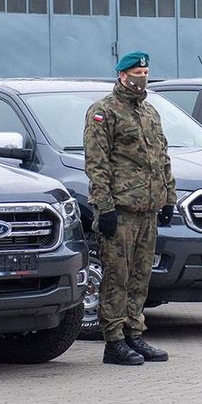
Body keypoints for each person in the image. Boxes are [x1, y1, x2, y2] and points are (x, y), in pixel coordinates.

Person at [84, 51, 176, 366]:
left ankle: (134, 333)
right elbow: (96, 163)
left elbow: (162, 156)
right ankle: (114, 341)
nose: (142, 77)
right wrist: (105, 207)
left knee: (140, 277)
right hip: (120, 209)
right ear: (122, 75)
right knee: (117, 277)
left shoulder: (150, 112)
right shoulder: (103, 112)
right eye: (137, 72)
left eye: (146, 72)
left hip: (148, 208)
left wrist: (169, 197)